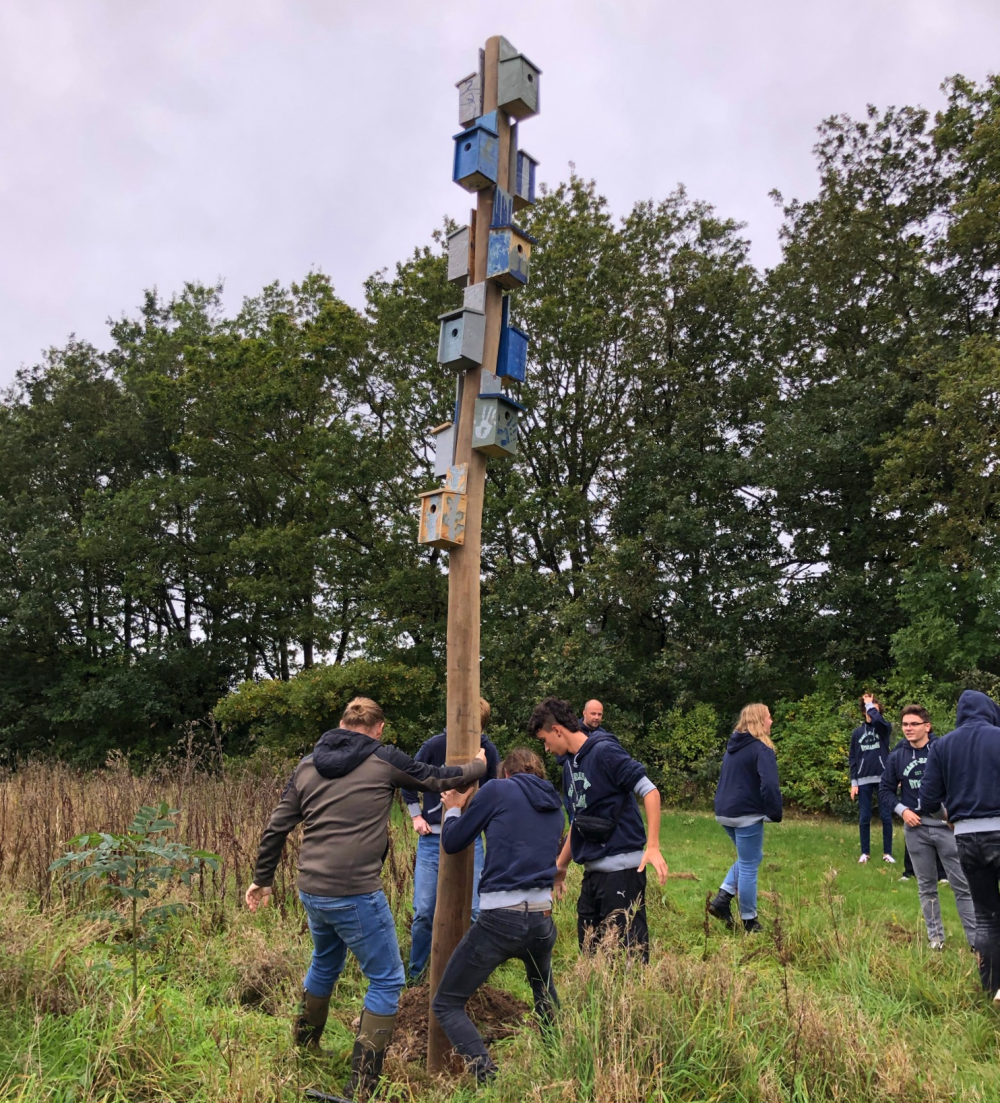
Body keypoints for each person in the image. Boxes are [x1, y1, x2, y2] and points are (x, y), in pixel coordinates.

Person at [245, 697, 487, 1101]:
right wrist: (477, 767)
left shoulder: (308, 765)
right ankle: (362, 1085)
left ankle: (305, 1048)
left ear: (341, 724)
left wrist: (262, 880)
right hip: (355, 891)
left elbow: (276, 827)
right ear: (379, 728)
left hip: (312, 889)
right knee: (387, 979)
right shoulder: (382, 758)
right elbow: (436, 778)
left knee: (324, 962)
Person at [431, 748, 564, 1085]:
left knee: (446, 1003)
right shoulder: (555, 802)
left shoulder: (498, 789)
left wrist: (454, 809)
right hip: (542, 916)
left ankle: (489, 1081)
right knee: (543, 992)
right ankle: (560, 1062)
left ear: (506, 773)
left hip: (500, 919)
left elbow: (454, 841)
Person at [529, 696, 668, 960]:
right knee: (591, 953)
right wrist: (561, 866)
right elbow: (579, 821)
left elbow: (650, 791)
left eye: (544, 740)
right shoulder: (570, 766)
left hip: (622, 871)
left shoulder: (605, 752)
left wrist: (652, 846)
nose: (546, 749)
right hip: (593, 874)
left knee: (628, 957)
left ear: (557, 730)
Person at [401, 698, 500, 983]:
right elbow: (408, 777)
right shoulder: (435, 746)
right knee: (424, 912)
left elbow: (495, 790)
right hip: (433, 839)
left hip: (471, 839)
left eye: (475, 727)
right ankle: (418, 975)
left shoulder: (488, 751)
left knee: (476, 911)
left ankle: (470, 976)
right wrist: (416, 816)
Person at [920, 689, 1000, 1001]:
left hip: (966, 837)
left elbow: (928, 801)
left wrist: (949, 818)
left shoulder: (942, 745)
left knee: (986, 916)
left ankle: (993, 988)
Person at [878, 704, 976, 950]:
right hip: (916, 829)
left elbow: (962, 783)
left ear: (927, 726)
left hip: (946, 827)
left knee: (962, 885)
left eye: (914, 724)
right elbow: (885, 790)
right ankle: (936, 940)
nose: (908, 728)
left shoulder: (943, 750)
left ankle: (976, 942)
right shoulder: (897, 756)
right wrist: (903, 810)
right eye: (905, 724)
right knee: (926, 887)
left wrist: (954, 815)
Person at [707, 703, 782, 933]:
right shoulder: (761, 748)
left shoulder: (733, 747)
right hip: (745, 813)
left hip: (724, 811)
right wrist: (774, 812)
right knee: (749, 865)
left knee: (750, 857)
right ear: (760, 720)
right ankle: (750, 921)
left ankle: (723, 898)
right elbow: (770, 785)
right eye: (768, 717)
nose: (771, 721)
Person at [849, 693, 894, 864]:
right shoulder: (857, 733)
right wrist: (854, 782)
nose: (872, 713)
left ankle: (887, 853)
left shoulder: (884, 729)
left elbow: (879, 722)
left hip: (883, 779)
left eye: (875, 711)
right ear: (864, 712)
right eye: (868, 710)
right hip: (863, 780)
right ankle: (865, 853)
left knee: (886, 816)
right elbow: (853, 758)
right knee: (864, 817)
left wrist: (870, 705)